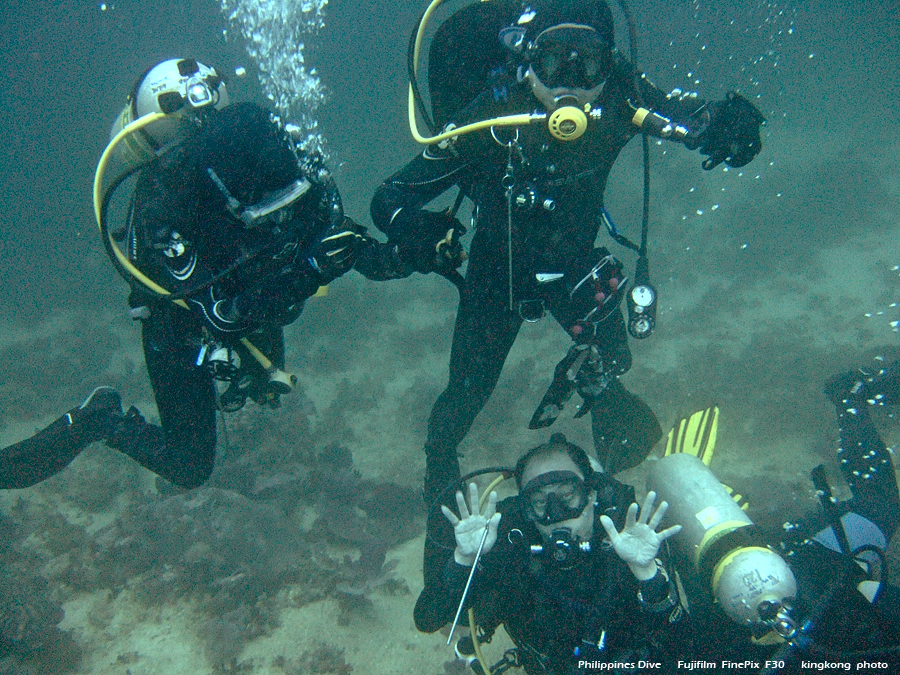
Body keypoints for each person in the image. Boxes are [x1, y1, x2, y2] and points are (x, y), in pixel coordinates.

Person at [370, 0, 765, 630]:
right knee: (458, 405)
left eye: (590, 65)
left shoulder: (624, 98)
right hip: (494, 278)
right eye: (554, 62)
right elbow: (390, 196)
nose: (571, 84)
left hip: (577, 270)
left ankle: (587, 388)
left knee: (614, 366)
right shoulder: (488, 119)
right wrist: (412, 227)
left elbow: (691, 121)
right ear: (526, 64)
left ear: (612, 68)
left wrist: (727, 127)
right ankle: (440, 498)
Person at [0, 58, 406, 491]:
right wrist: (308, 270)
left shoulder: (275, 154)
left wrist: (411, 252)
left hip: (254, 298)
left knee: (264, 383)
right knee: (189, 466)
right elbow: (220, 318)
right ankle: (100, 420)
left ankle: (252, 371)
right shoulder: (164, 199)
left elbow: (340, 240)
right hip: (180, 323)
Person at [438, 433, 684, 673]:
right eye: (540, 502)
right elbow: (427, 617)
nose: (556, 515)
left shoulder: (629, 542)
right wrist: (464, 558)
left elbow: (683, 650)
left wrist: (647, 573)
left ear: (591, 495)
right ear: (526, 510)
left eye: (568, 496)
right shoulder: (513, 547)